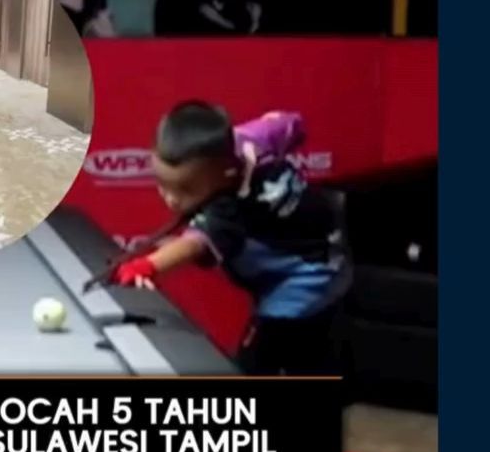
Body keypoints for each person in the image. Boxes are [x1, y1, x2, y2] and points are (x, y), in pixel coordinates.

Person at [109, 101, 353, 375]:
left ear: (226, 174)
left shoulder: (227, 207)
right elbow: (289, 123)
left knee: (254, 366)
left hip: (304, 282)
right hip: (324, 253)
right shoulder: (251, 138)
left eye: (185, 189)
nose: (171, 199)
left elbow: (194, 244)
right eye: (162, 185)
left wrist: (146, 266)